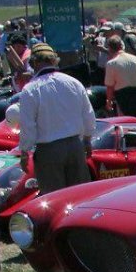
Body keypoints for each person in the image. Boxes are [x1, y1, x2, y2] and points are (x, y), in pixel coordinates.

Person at [16, 43, 97, 197]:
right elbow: (88, 115)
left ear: (34, 63)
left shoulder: (30, 89)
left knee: (54, 199)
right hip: (75, 146)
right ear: (54, 61)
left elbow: (28, 127)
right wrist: (87, 140)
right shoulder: (73, 82)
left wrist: (25, 151)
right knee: (80, 197)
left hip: (48, 151)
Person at [104, 35, 136, 118]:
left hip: (122, 97)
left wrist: (109, 101)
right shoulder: (135, 59)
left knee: (125, 123)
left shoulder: (111, 64)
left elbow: (110, 86)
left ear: (110, 48)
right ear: (121, 46)